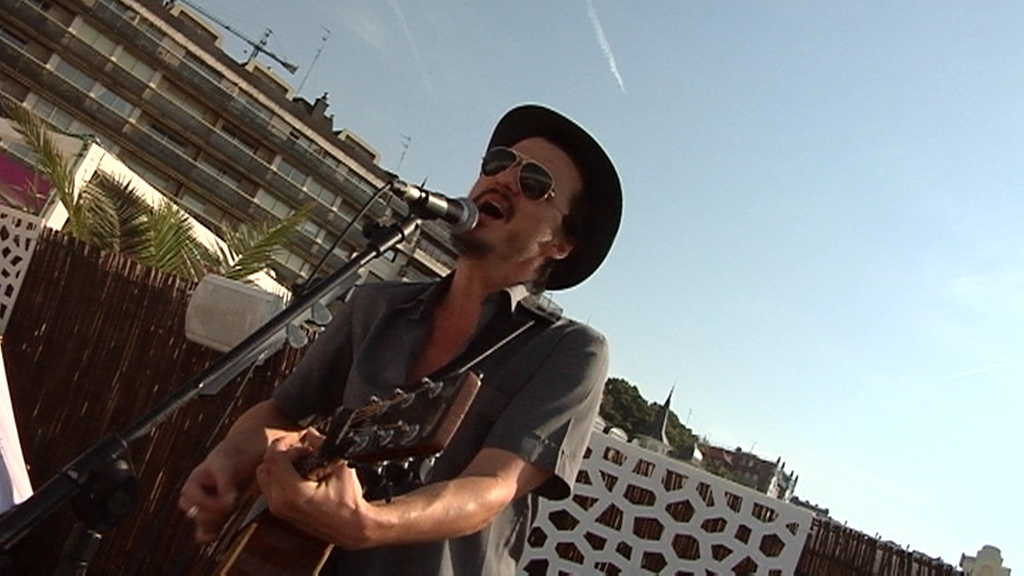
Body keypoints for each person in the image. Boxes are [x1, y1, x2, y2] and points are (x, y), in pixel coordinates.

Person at [178, 104, 622, 575]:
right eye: (498, 163)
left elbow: (493, 485)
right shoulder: (374, 306)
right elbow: (282, 413)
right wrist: (230, 458)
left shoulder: (571, 352)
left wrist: (371, 524)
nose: (505, 179)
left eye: (533, 182)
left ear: (560, 244)